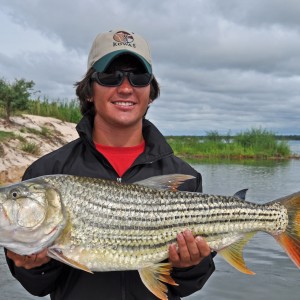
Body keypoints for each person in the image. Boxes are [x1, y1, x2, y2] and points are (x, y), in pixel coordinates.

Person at [5, 29, 215, 300]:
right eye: (110, 76)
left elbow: (187, 286)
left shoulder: (184, 175)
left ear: (150, 93)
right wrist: (35, 267)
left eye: (139, 77)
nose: (126, 87)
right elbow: (38, 287)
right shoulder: (46, 171)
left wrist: (190, 267)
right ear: (89, 90)